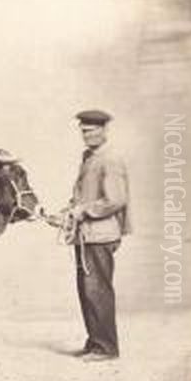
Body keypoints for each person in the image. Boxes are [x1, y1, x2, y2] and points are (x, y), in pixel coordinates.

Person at [51, 109, 132, 362]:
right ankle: (95, 342)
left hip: (100, 235)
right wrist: (67, 212)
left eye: (92, 130)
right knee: (87, 289)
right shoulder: (89, 157)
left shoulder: (110, 159)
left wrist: (83, 211)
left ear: (104, 130)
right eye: (84, 131)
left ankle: (106, 348)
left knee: (97, 290)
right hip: (87, 234)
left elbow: (116, 200)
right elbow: (83, 195)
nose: (87, 135)